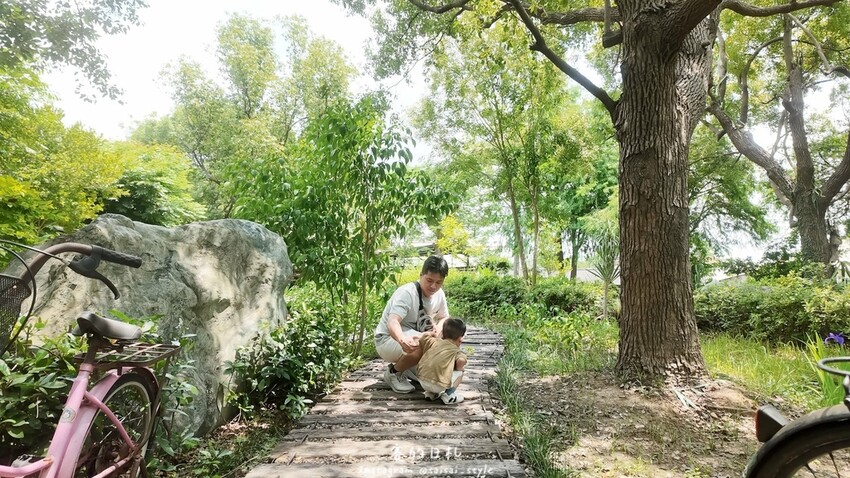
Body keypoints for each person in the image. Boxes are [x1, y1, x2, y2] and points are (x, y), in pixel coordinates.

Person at [375, 255, 449, 393]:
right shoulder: (407, 293)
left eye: (439, 282)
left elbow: (444, 317)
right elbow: (393, 321)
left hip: (415, 336)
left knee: (439, 366)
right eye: (429, 280)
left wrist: (438, 329)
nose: (433, 286)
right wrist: (402, 339)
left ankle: (408, 368)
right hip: (387, 339)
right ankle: (394, 373)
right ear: (421, 275)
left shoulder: (439, 294)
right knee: (424, 343)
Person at [417, 317, 467, 404]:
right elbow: (461, 361)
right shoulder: (456, 350)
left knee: (434, 369)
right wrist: (460, 368)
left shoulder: (434, 342)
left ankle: (431, 394)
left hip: (421, 380)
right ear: (460, 339)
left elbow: (424, 337)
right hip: (438, 385)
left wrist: (433, 334)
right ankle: (449, 395)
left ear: (442, 333)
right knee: (460, 372)